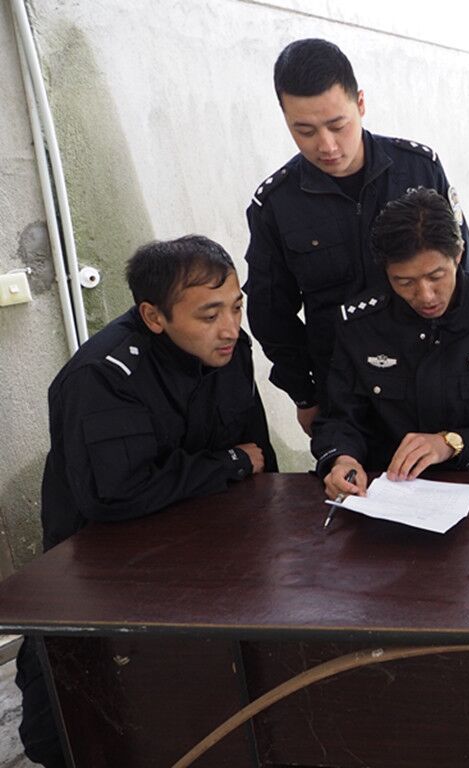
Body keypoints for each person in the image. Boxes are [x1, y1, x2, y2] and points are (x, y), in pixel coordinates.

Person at [17, 235, 278, 768]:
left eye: (236, 306)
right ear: (154, 316)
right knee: (78, 727)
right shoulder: (103, 375)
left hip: (205, 553)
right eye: (209, 315)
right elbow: (119, 493)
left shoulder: (230, 349)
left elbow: (256, 453)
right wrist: (226, 464)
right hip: (103, 570)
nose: (230, 328)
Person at [245, 38, 469, 437]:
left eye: (337, 125)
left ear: (360, 103)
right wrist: (305, 395)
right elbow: (271, 316)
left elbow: (466, 274)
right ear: (284, 117)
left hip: (435, 381)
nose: (327, 146)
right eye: (304, 131)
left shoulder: (419, 170)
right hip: (347, 400)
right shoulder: (276, 205)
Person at [312, 188, 469, 497]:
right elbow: (340, 417)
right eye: (404, 282)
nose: (425, 296)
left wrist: (451, 443)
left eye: (436, 276)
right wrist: (343, 460)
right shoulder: (359, 324)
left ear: (458, 255)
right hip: (387, 489)